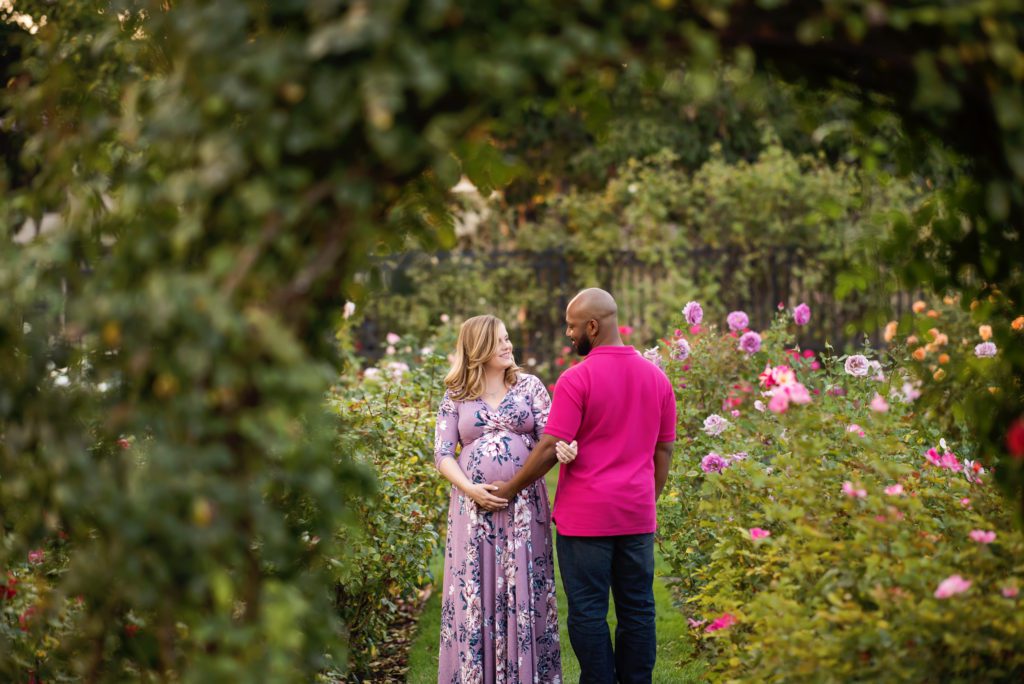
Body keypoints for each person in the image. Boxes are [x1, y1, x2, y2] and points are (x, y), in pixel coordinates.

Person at [491, 289, 676, 684]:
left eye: (572, 326)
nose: (569, 334)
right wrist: (648, 499)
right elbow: (664, 451)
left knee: (589, 610)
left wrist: (510, 488)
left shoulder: (578, 378)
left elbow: (547, 448)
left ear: (593, 325)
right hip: (636, 516)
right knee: (638, 609)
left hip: (585, 521)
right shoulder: (657, 379)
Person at [433, 314, 576, 684]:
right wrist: (470, 488)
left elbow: (552, 437)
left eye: (508, 338)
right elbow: (442, 454)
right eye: (500, 341)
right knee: (475, 592)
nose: (509, 345)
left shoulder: (529, 387)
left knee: (525, 590)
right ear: (478, 347)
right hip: (473, 511)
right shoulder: (456, 395)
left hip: (524, 509)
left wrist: (566, 448)